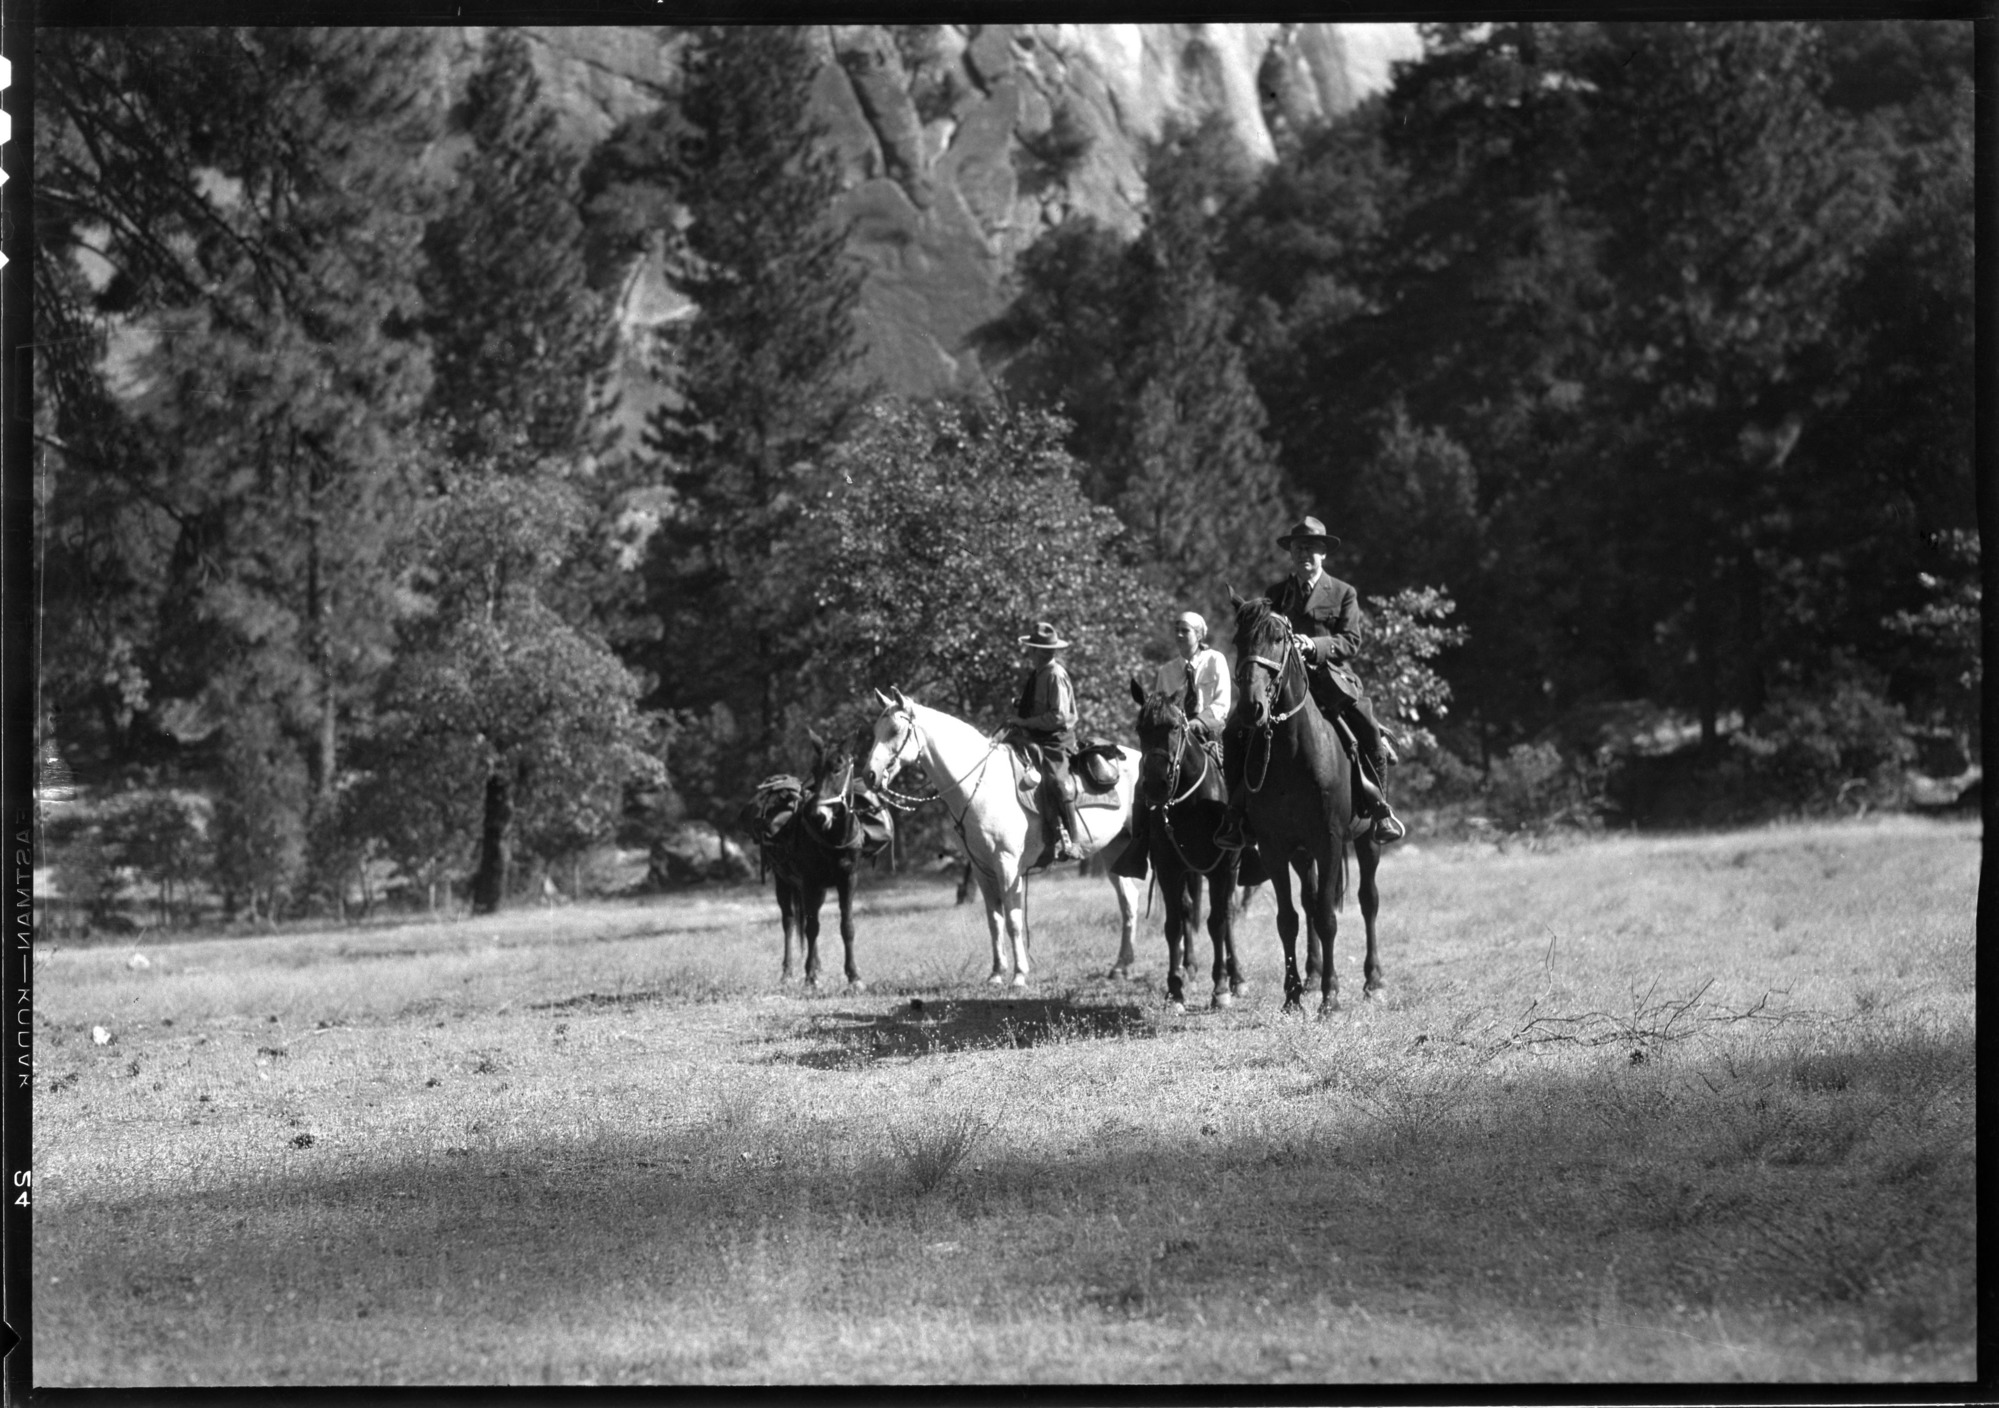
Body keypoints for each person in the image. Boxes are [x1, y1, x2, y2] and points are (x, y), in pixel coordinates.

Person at [1215, 515, 1405, 848]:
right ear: (1291, 554)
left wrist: (1313, 645)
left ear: (1323, 554)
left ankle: (1380, 810)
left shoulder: (1344, 592)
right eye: (1299, 548)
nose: (1305, 555)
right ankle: (1237, 815)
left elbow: (1351, 641)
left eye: (1312, 549)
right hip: (1282, 680)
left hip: (1330, 677)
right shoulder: (1276, 593)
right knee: (1234, 731)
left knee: (1369, 728)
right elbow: (1262, 634)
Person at [1003, 621, 1087, 864]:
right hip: (1037, 737)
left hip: (1056, 741)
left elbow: (1058, 716)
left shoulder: (1055, 675)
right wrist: (1022, 706)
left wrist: (1024, 721)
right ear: (1032, 651)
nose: (1046, 653)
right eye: (1040, 649)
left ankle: (1073, 840)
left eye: (1049, 649)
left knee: (1057, 781)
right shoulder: (1038, 675)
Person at [1151, 610, 1232, 744]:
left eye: (1185, 631)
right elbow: (1159, 711)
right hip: (1176, 740)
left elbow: (1222, 704)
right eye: (1176, 630)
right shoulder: (1166, 671)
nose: (1179, 634)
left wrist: (1196, 724)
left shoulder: (1215, 660)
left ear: (1199, 635)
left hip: (1211, 737)